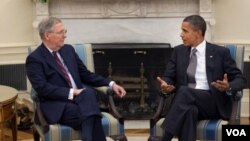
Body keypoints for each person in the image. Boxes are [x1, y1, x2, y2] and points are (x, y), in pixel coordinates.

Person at [25, 17, 126, 141]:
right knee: (93, 115)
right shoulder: (35, 59)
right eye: (61, 32)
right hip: (58, 105)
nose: (65, 35)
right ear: (47, 35)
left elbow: (86, 74)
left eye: (65, 31)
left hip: (82, 100)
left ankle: (87, 138)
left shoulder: (69, 50)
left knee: (88, 94)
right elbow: (43, 88)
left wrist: (111, 84)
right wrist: (73, 92)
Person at [157, 15, 247, 141]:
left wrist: (228, 86)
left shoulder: (220, 53)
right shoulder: (178, 52)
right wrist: (166, 85)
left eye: (185, 31)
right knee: (190, 111)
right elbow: (168, 77)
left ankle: (165, 137)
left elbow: (241, 79)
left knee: (183, 91)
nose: (181, 34)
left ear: (198, 33)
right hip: (186, 103)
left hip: (211, 103)